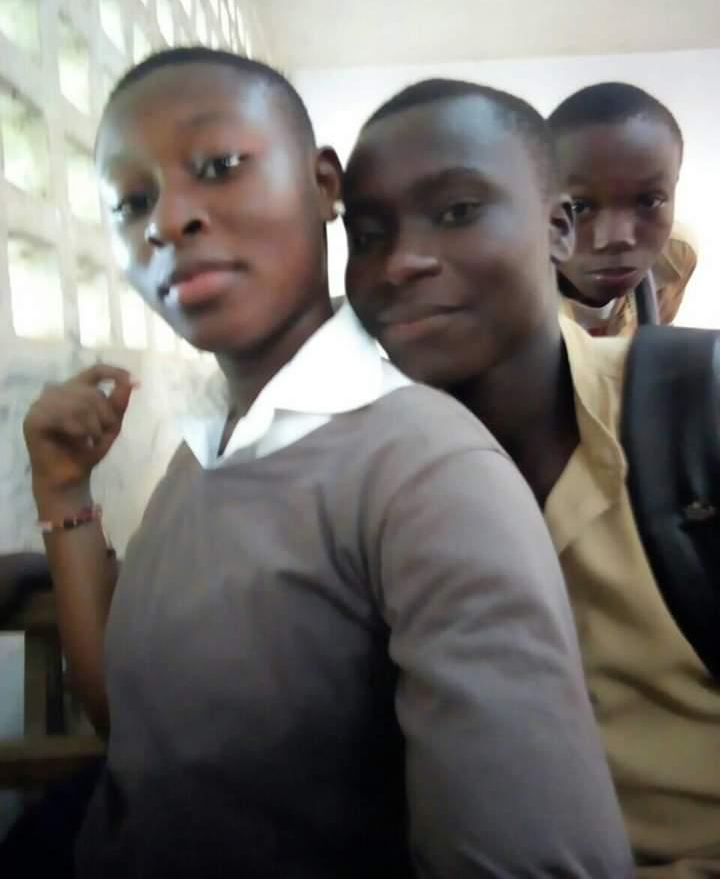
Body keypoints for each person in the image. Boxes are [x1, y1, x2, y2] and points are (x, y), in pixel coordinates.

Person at [21, 49, 631, 879]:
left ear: (322, 187)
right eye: (133, 203)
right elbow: (137, 727)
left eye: (219, 166)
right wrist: (62, 488)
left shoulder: (427, 473)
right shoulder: (207, 448)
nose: (168, 221)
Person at [342, 78, 720, 878]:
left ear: (555, 229)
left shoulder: (701, 408)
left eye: (457, 211)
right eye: (368, 233)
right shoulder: (346, 481)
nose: (402, 261)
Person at [547, 81, 696, 335]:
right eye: (578, 206)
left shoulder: (675, 258)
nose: (616, 238)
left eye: (648, 201)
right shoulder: (501, 289)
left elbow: (656, 339)